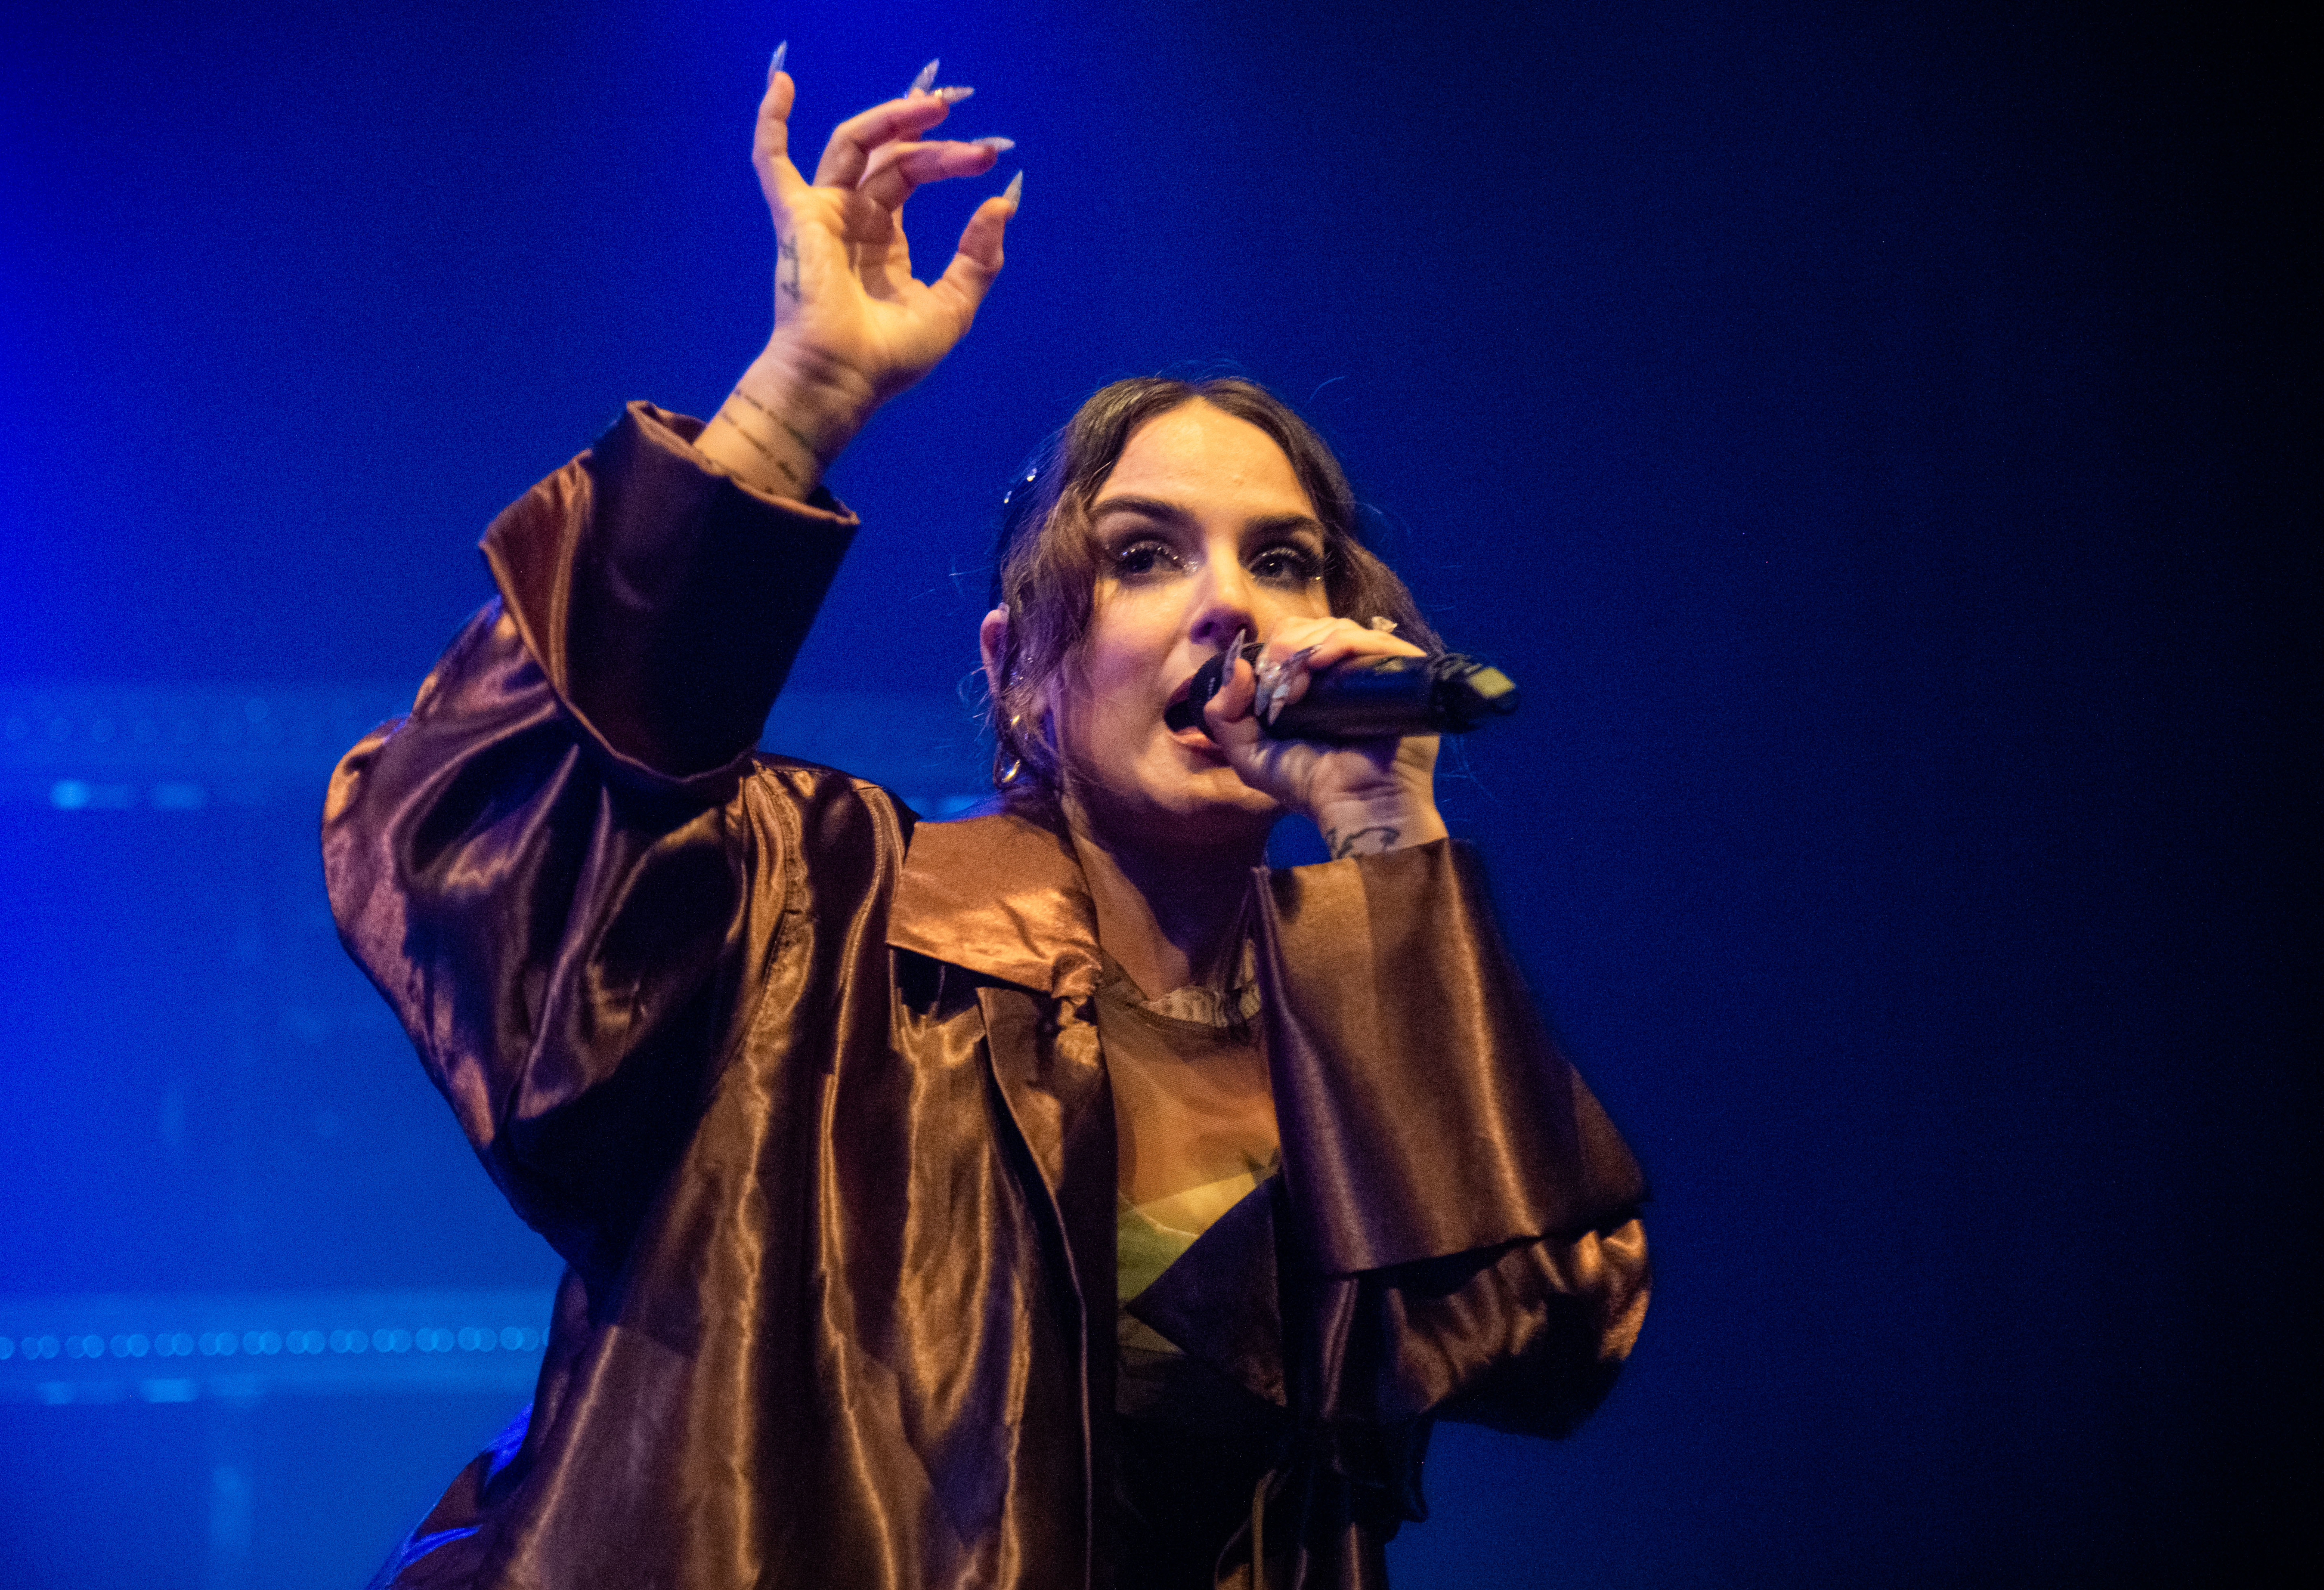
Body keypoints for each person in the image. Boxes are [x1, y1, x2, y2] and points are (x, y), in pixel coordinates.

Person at [325, 52, 1648, 1590]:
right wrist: (794, 404)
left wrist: (1388, 844)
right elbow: (471, 845)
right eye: (1148, 555)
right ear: (1022, 674)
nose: (1232, 604)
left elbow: (1547, 1334)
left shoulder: (1351, 1042)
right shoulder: (816, 914)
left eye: (1284, 560)